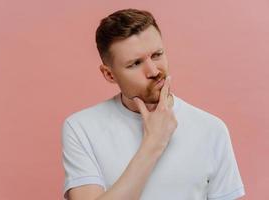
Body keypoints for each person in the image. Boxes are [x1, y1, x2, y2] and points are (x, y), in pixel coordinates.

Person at [61, 8, 245, 200]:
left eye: (157, 55)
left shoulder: (211, 129)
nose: (153, 70)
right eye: (135, 63)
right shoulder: (81, 128)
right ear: (109, 74)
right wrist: (153, 143)